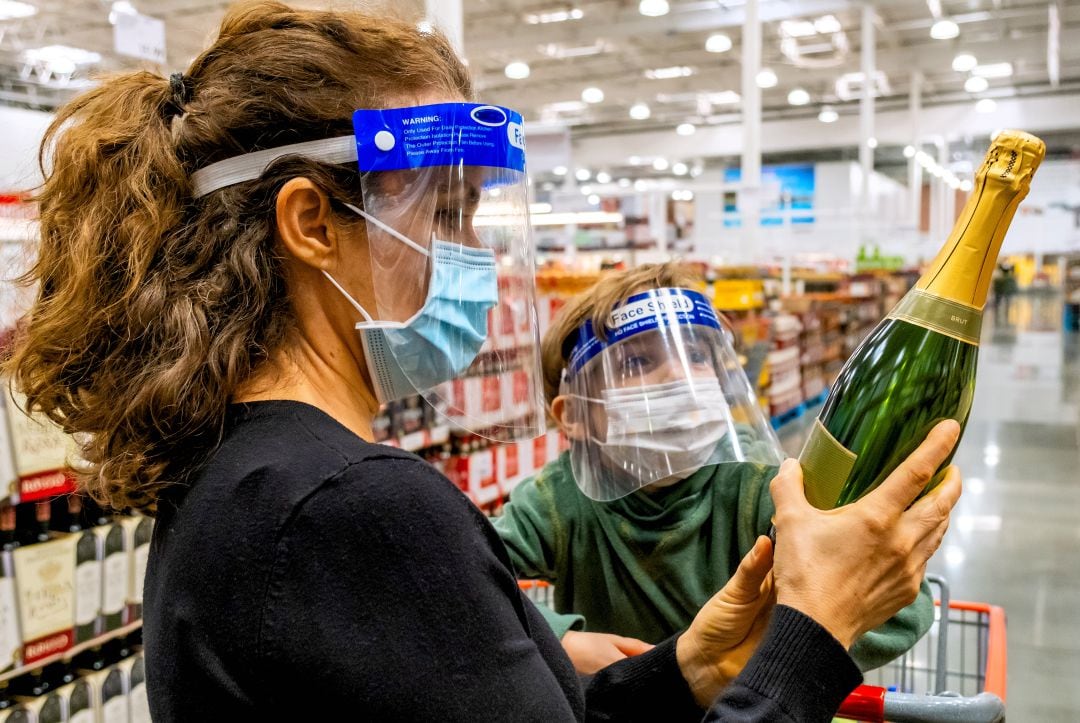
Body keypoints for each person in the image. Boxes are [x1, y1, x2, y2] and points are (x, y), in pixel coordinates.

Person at [2, 2, 961, 720]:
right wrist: (815, 635)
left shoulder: (246, 471)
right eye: (448, 214)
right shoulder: (349, 509)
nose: (480, 257)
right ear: (310, 225)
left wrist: (689, 669)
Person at [494, 264, 935, 674]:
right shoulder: (557, 500)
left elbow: (902, 609)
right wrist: (559, 640)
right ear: (574, 415)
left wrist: (765, 652)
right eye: (638, 362)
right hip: (621, 706)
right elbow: (463, 575)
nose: (680, 376)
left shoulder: (765, 485)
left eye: (695, 356)